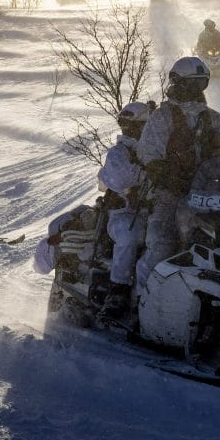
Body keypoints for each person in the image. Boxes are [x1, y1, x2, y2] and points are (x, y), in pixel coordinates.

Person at [134, 56, 220, 289]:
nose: (196, 89)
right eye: (191, 83)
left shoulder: (216, 120)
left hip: (215, 195)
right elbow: (148, 154)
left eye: (201, 83)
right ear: (177, 83)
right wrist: (167, 176)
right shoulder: (162, 118)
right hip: (171, 195)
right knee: (162, 246)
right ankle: (143, 298)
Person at [97, 102, 152, 319]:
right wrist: (147, 173)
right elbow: (121, 179)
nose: (130, 129)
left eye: (135, 125)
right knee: (130, 235)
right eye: (127, 125)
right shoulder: (119, 152)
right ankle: (118, 291)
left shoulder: (155, 149)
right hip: (124, 215)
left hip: (156, 214)